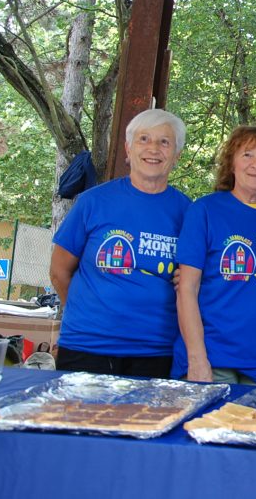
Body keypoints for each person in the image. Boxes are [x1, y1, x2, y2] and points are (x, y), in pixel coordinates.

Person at [50, 108, 191, 378]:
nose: (154, 149)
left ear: (177, 155)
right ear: (128, 149)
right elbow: (58, 271)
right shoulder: (93, 202)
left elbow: (193, 278)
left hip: (156, 351)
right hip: (87, 347)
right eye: (144, 139)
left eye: (165, 142)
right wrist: (86, 316)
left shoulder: (189, 212)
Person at [173, 126, 256, 386]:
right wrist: (197, 359)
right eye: (247, 155)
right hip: (212, 355)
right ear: (231, 163)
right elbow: (186, 288)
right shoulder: (205, 210)